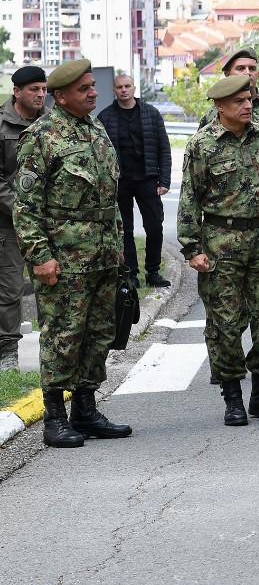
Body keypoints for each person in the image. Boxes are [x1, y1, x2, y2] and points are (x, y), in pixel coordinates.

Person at [14, 58, 132, 448]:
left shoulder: (95, 129)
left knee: (98, 334)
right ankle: (55, 416)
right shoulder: (42, 136)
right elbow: (26, 207)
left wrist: (117, 248)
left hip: (101, 255)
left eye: (92, 88)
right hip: (63, 260)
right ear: (59, 96)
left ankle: (85, 409)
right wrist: (40, 256)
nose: (93, 93)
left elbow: (109, 198)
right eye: (84, 90)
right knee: (63, 336)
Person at [178, 74, 259, 427]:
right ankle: (232, 397)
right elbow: (189, 199)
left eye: (249, 100)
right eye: (239, 102)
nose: (247, 106)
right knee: (225, 325)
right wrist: (191, 248)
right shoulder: (202, 145)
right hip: (220, 242)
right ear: (220, 106)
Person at [97, 72, 171, 289]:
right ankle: (131, 273)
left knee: (155, 227)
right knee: (125, 230)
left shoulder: (151, 114)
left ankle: (153, 272)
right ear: (114, 90)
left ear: (134, 88)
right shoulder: (105, 117)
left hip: (148, 179)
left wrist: (164, 180)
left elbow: (164, 149)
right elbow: (100, 154)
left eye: (127, 86)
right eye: (119, 87)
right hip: (120, 182)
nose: (123, 90)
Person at [0, 66, 46, 373]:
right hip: (9, 222)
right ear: (17, 92)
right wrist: (20, 210)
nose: (41, 95)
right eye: (34, 90)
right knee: (9, 290)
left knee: (51, 284)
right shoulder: (2, 125)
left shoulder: (52, 124)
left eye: (44, 89)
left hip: (48, 224)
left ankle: (53, 348)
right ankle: (7, 354)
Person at [198, 48, 259, 129]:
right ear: (227, 74)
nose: (247, 72)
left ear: (257, 74)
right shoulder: (214, 113)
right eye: (240, 68)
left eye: (252, 68)